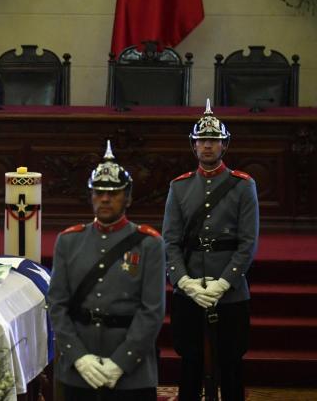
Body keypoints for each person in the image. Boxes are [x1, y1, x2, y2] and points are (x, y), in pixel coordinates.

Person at [48, 141, 165, 401]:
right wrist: (78, 357)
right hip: (79, 368)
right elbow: (57, 305)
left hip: (131, 372)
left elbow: (152, 311)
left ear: (128, 197)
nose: (104, 198)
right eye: (98, 191)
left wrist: (121, 362)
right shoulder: (69, 241)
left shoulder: (149, 244)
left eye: (113, 192)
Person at [162, 100, 259, 401]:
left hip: (230, 290)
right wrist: (184, 282)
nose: (207, 146)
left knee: (231, 365)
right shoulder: (179, 187)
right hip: (189, 290)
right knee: (190, 363)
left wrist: (224, 283)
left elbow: (247, 243)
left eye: (213, 140)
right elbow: (170, 241)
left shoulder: (243, 185)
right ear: (193, 146)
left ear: (224, 145)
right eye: (202, 140)